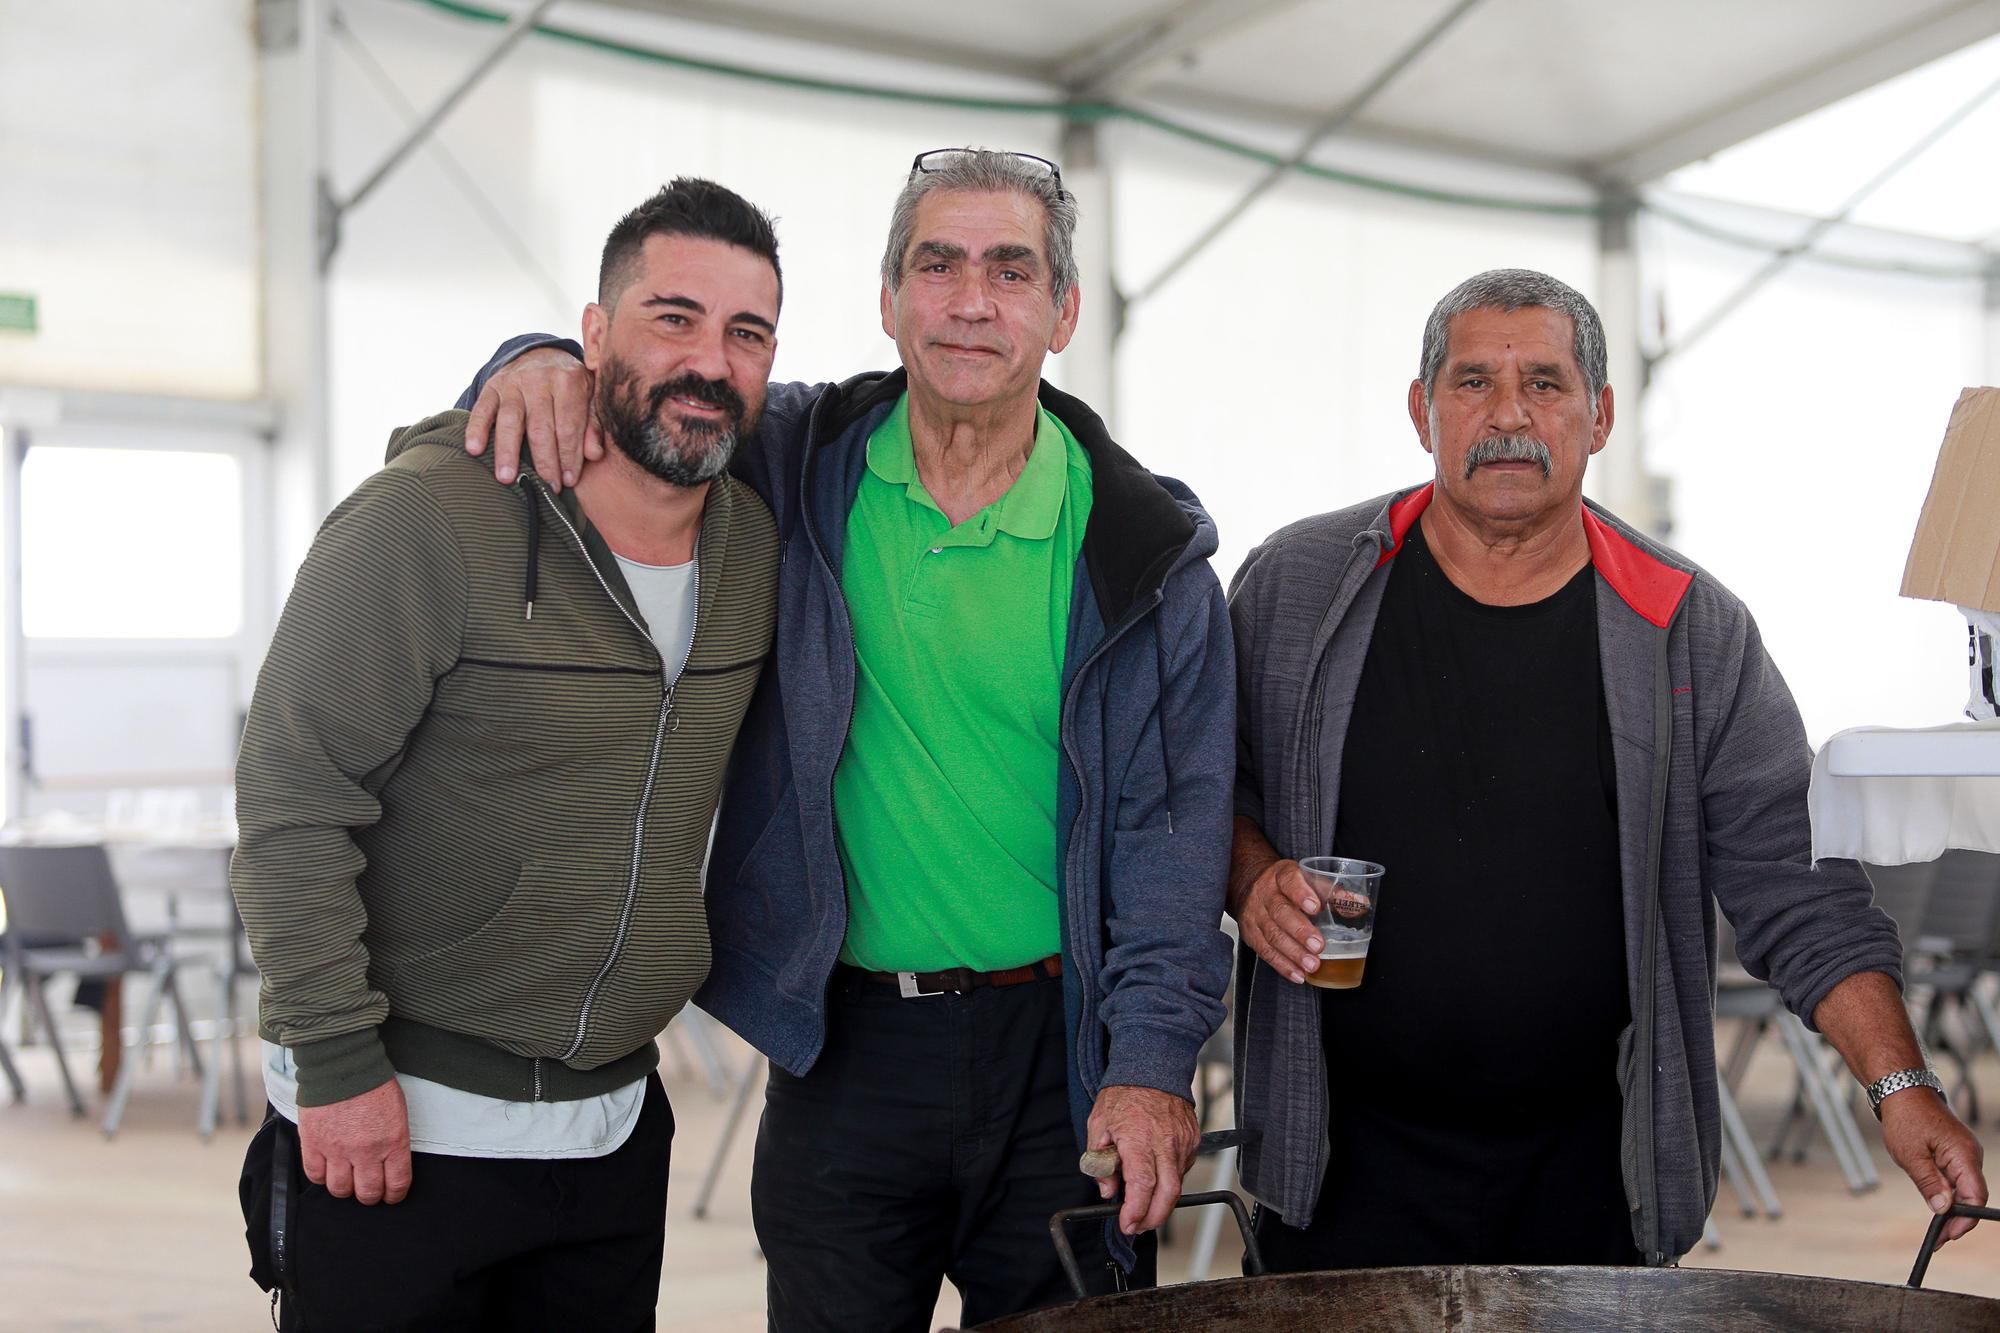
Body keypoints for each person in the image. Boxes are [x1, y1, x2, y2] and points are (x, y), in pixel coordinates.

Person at [458, 148, 1235, 1330]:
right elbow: (662, 387)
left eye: (1010, 270)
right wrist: (534, 359)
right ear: (886, 301)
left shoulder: (1144, 552)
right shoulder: (790, 466)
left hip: (1061, 1053)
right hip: (844, 1048)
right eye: (937, 264)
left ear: (1062, 311)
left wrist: (1150, 1064)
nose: (970, 300)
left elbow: (1173, 834)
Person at [1226, 267, 1988, 1270]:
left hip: (1589, 1173)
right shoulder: (1299, 588)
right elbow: (1194, 794)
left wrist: (1901, 1087)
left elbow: (1794, 885)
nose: (1507, 415)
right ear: (1421, 411)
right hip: (1336, 1167)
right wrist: (1251, 878)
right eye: (1470, 383)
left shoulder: (1686, 629)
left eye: (1543, 383)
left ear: (1598, 414)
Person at [230, 177, 783, 1330]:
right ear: (590, 337)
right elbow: (290, 798)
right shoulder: (431, 517)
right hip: (399, 1121)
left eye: (746, 332)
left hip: (613, 1132)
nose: (709, 361)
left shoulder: (754, 552)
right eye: (671, 318)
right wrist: (333, 1066)